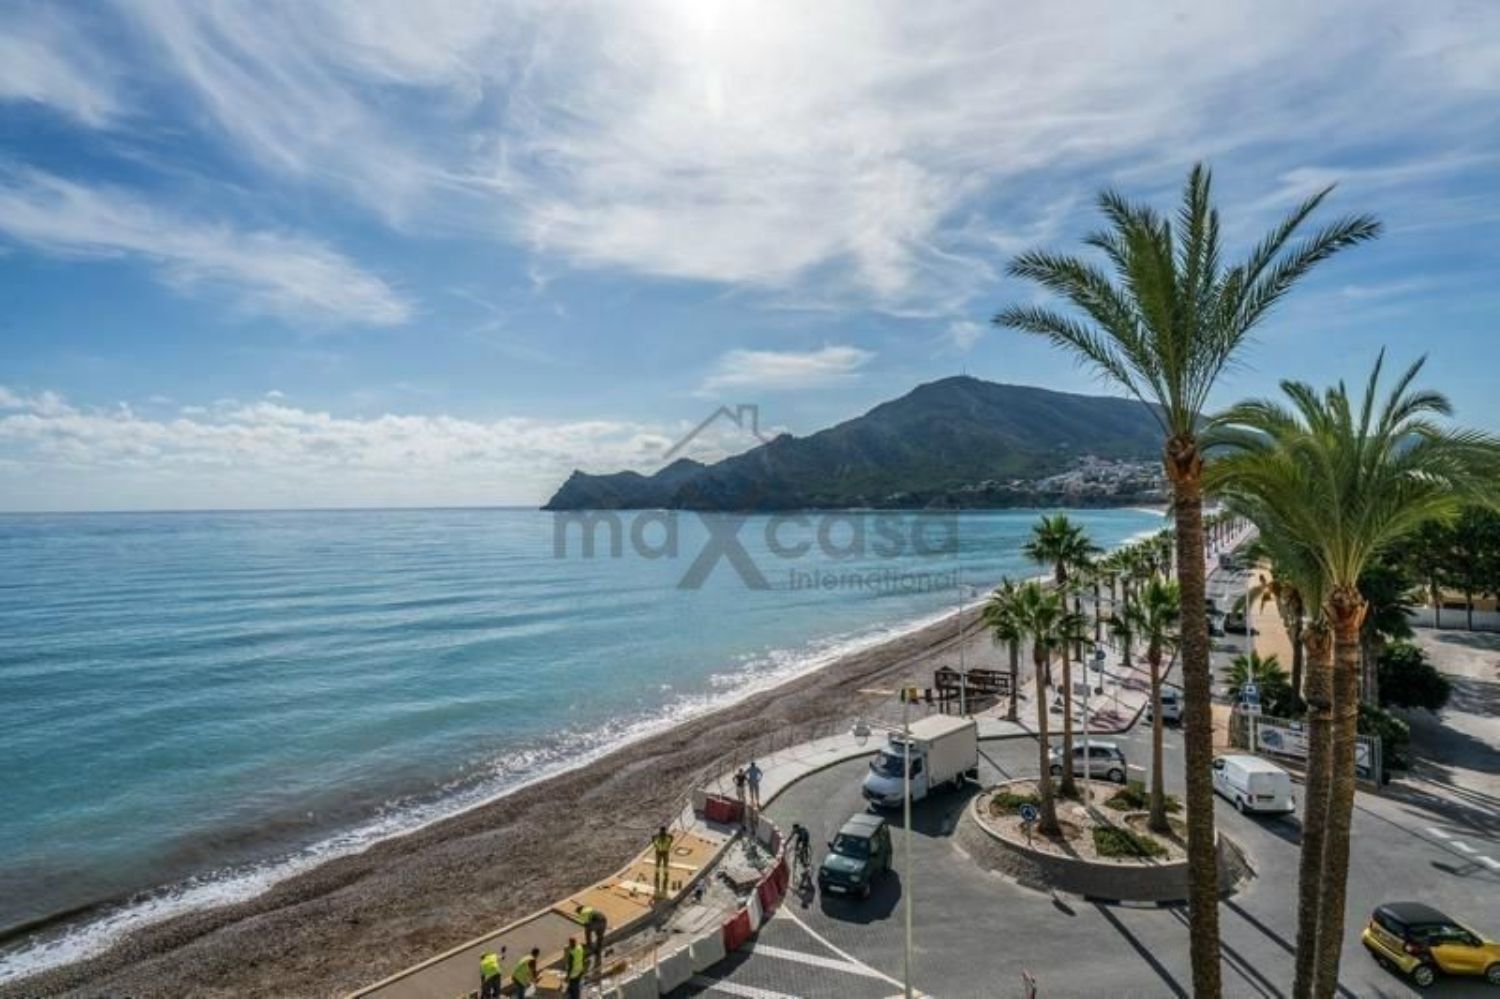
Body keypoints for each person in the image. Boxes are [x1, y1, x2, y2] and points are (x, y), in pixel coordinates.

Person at [577, 903, 607, 967]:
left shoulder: (582, 914)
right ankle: (598, 950)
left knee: (587, 930)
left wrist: (587, 924)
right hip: (604, 919)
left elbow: (585, 924)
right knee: (600, 936)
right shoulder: (589, 908)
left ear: (579, 911)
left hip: (597, 921)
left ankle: (589, 945)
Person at [651, 825, 675, 895]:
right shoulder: (657, 836)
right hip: (659, 852)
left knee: (665, 865)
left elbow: (672, 838)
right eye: (662, 831)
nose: (662, 832)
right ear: (660, 831)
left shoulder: (668, 836)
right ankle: (657, 875)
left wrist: (669, 845)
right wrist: (655, 845)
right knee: (657, 865)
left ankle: (665, 875)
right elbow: (653, 838)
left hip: (665, 852)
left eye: (663, 831)